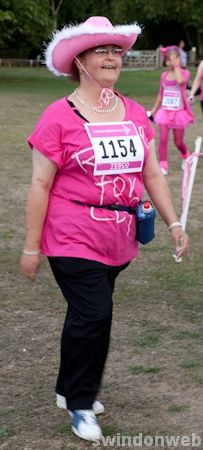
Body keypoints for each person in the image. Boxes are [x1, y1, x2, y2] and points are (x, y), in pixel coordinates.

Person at [20, 17, 189, 443]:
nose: (113, 56)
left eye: (117, 50)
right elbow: (40, 184)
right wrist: (31, 247)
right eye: (103, 50)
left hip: (119, 235)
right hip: (70, 232)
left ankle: (65, 387)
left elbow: (150, 172)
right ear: (80, 60)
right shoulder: (58, 116)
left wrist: (173, 222)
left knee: (85, 314)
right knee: (96, 313)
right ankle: (80, 403)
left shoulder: (133, 111)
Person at [149, 46, 194, 175]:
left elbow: (180, 81)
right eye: (169, 59)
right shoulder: (163, 75)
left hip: (179, 113)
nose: (171, 62)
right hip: (164, 113)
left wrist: (177, 67)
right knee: (162, 139)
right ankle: (163, 165)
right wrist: (153, 110)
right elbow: (160, 94)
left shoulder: (185, 73)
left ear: (179, 59)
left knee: (178, 141)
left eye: (175, 58)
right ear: (166, 61)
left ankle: (186, 156)